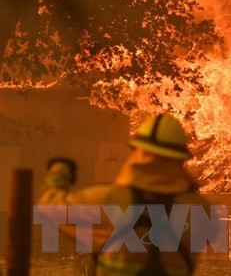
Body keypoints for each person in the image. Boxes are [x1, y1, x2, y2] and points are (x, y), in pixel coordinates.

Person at [38, 113, 213, 276]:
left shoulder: (109, 201)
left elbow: (48, 204)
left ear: (138, 154)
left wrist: (60, 170)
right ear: (180, 160)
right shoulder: (204, 212)